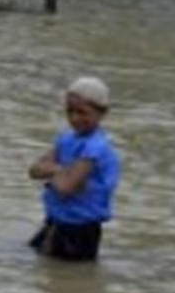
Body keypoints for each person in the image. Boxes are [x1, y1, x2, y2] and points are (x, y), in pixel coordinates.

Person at [27, 77, 121, 261]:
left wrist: (54, 172)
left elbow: (64, 188)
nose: (74, 118)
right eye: (69, 111)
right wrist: (61, 170)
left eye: (82, 112)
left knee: (64, 273)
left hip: (80, 232)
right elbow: (34, 170)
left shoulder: (96, 147)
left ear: (103, 113)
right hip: (56, 223)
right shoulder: (67, 138)